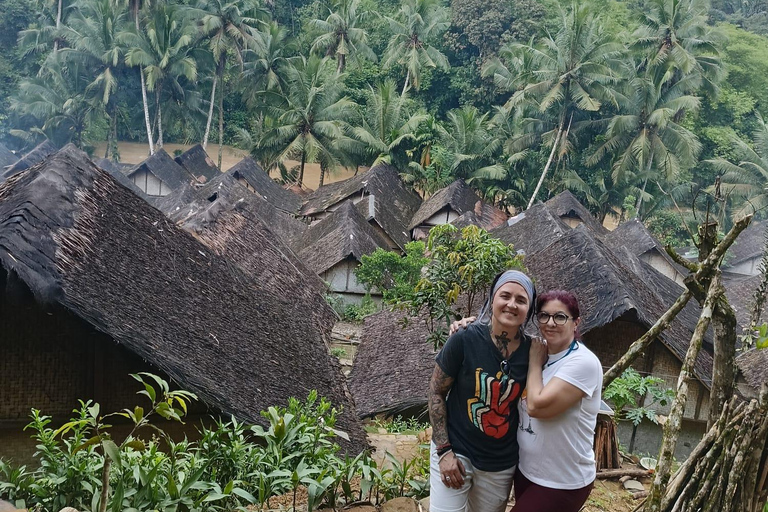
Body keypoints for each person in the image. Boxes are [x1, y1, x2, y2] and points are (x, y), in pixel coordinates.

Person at [427, 270, 536, 512]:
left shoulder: (534, 352)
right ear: (492, 299)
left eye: (521, 300)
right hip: (456, 450)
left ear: (529, 308)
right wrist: (444, 452)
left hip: (500, 463)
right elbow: (436, 393)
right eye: (505, 296)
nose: (511, 304)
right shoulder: (464, 338)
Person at [511, 289, 602, 512]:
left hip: (562, 481)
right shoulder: (542, 353)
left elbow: (535, 406)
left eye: (560, 317)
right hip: (527, 471)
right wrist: (465, 326)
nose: (550, 323)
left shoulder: (582, 363)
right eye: (544, 316)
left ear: (576, 322)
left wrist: (533, 363)